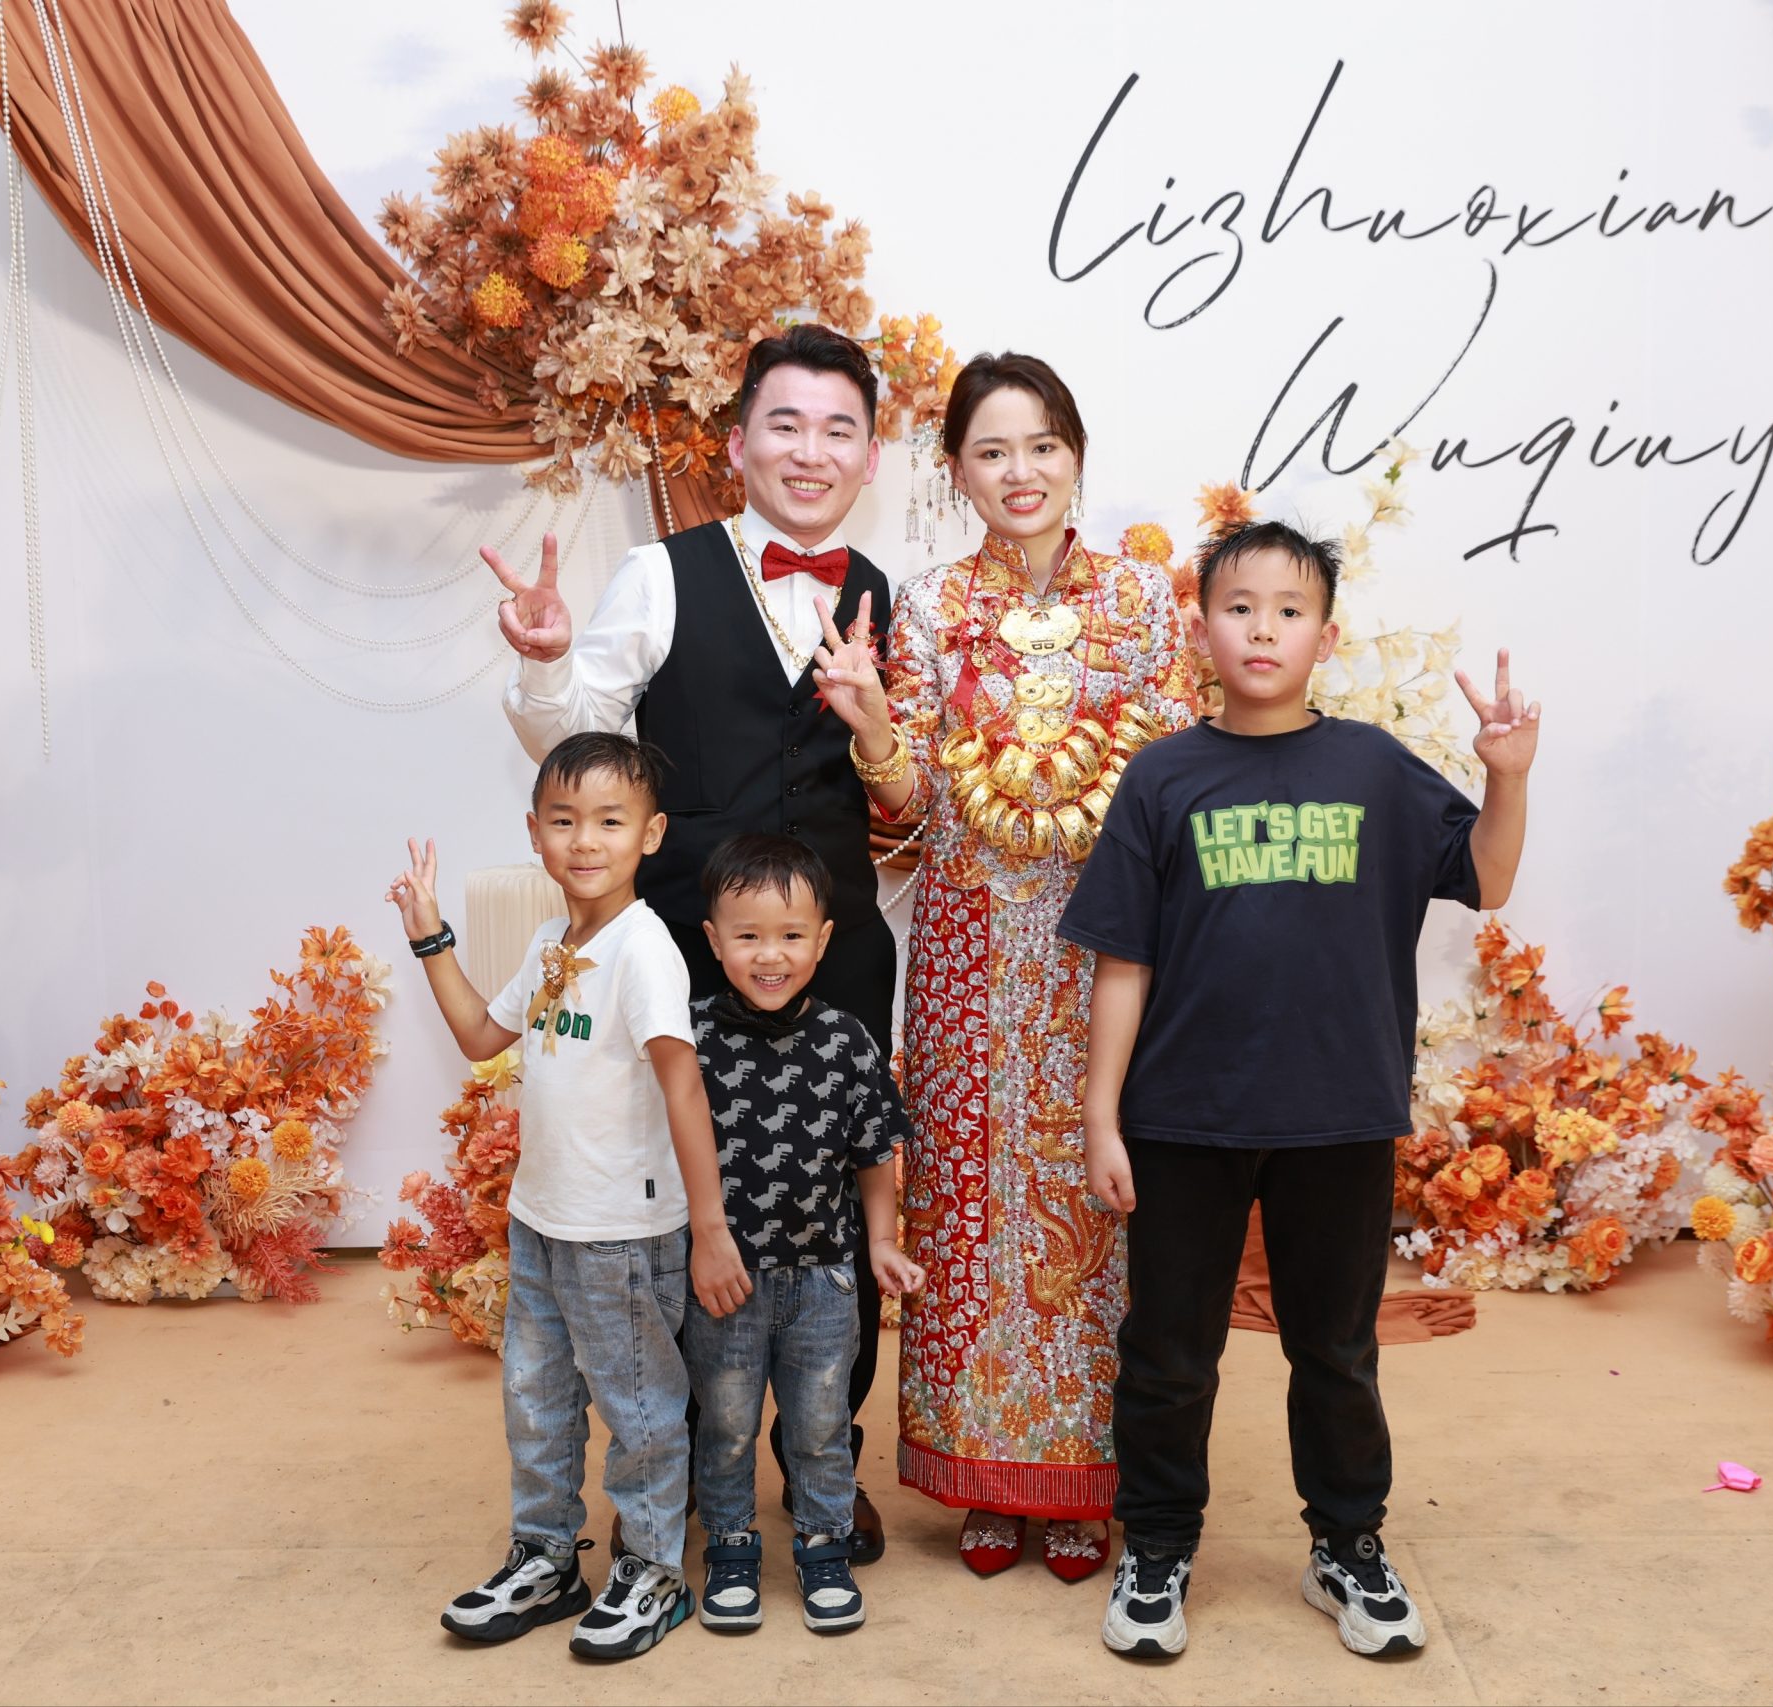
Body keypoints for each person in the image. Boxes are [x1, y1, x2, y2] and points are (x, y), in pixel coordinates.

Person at [1056, 520, 1540, 1662]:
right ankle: (1158, 1544)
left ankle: (1347, 1544)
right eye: (1239, 607)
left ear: (1325, 634)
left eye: (1288, 610)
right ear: (1202, 630)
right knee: (1169, 1353)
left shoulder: (1372, 767)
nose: (1262, 629)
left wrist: (1506, 776)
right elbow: (1122, 962)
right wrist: (1101, 1117)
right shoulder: (1162, 775)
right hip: (1183, 1118)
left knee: (1335, 1350)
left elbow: (1486, 878)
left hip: (1339, 1115)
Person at [489, 324, 896, 1562]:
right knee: (663, 1209)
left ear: (870, 455)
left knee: (831, 1204)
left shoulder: (885, 593)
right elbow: (583, 737)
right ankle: (665, 1488)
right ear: (737, 443)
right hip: (677, 952)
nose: (810, 451)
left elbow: (903, 795)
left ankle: (826, 1464)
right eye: (786, 424)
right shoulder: (660, 574)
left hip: (834, 952)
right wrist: (548, 666)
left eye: (837, 429)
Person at [804, 352, 1195, 1582]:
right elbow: (910, 808)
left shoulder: (1143, 602)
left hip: (1107, 952)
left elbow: (1175, 777)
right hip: (969, 955)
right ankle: (981, 1472)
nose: (1019, 472)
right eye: (990, 451)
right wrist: (873, 724)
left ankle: (1087, 1479)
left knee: (1097, 1199)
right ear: (954, 471)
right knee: (967, 1202)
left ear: (1074, 455)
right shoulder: (926, 608)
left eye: (1040, 447)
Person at [384, 731, 750, 1663]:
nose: (585, 840)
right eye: (564, 820)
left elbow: (685, 1089)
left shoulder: (645, 950)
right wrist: (429, 934)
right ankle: (546, 1556)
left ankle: (654, 1568)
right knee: (535, 1399)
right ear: (535, 832)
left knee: (640, 1410)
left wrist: (710, 1228)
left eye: (610, 821)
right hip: (541, 1219)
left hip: (621, 1229)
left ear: (651, 834)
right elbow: (480, 1035)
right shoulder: (553, 941)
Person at [681, 832, 928, 1635]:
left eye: (790, 935)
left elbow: (873, 1151)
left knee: (821, 1427)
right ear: (713, 939)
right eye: (748, 935)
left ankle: (823, 1543)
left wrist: (881, 1242)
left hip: (824, 1276)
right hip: (726, 1281)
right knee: (724, 1424)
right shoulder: (689, 1040)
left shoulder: (847, 1040)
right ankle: (730, 1543)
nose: (770, 955)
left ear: (822, 940)